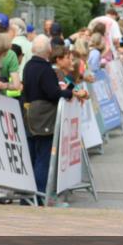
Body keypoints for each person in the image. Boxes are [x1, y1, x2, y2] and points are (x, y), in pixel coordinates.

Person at [23, 36, 89, 205]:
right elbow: (53, 93)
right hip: (44, 118)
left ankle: (29, 198)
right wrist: (67, 94)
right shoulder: (45, 69)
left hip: (29, 115)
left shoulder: (29, 66)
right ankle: (40, 197)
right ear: (50, 51)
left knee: (32, 157)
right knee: (44, 159)